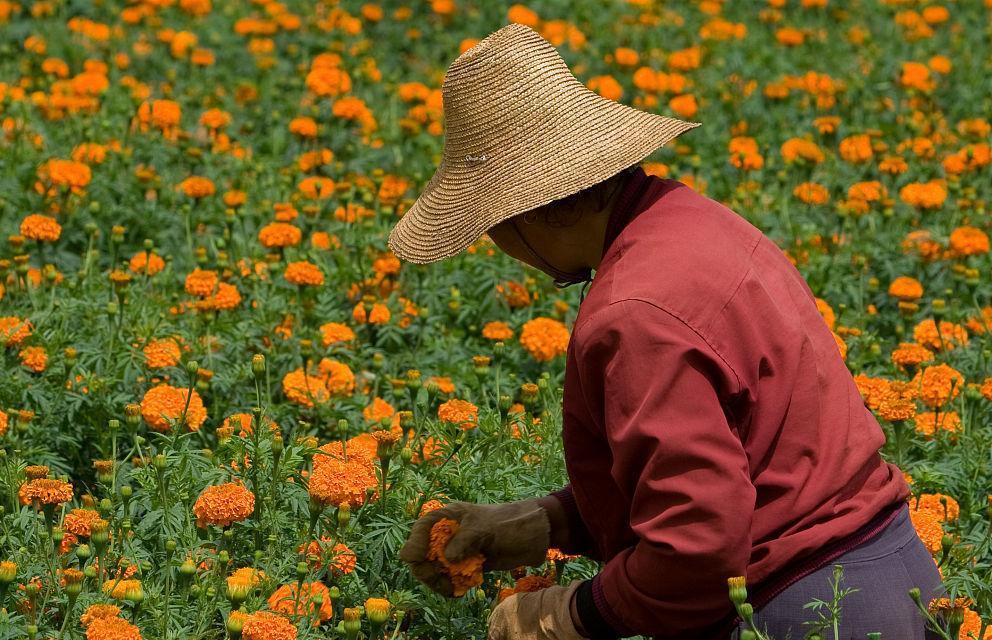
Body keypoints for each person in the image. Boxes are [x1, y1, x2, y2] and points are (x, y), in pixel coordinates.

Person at [388, 23, 944, 640]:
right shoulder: (693, 223)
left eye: (487, 223)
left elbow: (697, 548)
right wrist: (539, 522)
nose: (495, 244)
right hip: (890, 574)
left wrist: (568, 615)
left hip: (805, 609)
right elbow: (741, 459)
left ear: (525, 213)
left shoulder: (634, 313)